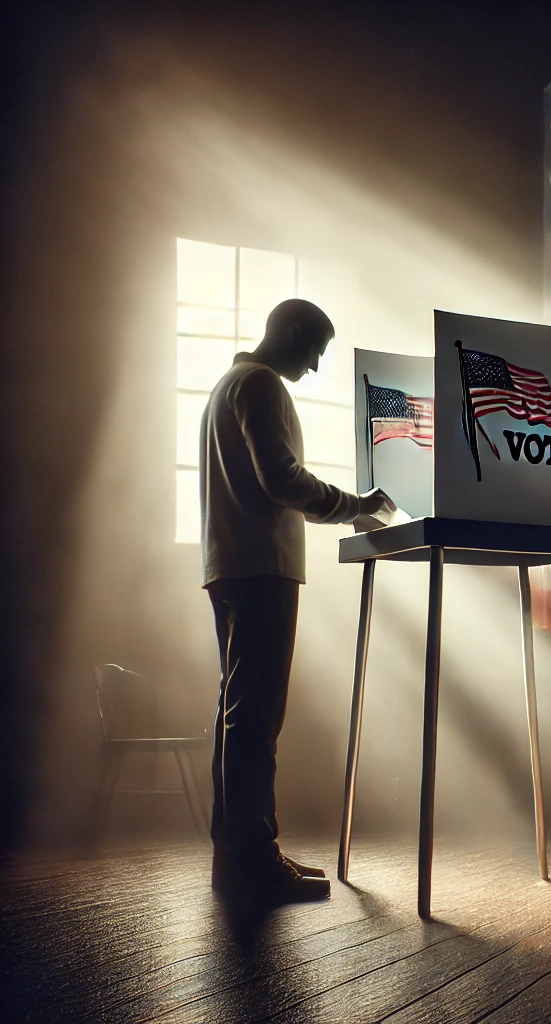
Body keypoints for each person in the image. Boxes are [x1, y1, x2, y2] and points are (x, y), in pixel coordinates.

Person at [200, 298, 394, 904]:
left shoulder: (225, 386)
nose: (314, 367)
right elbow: (281, 478)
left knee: (237, 713)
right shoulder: (260, 384)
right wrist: (354, 506)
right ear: (290, 332)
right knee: (256, 718)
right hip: (263, 570)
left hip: (228, 567)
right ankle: (254, 864)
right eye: (315, 349)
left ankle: (237, 856)